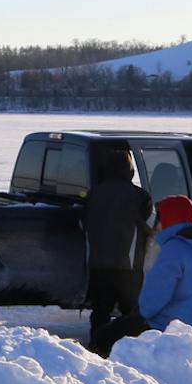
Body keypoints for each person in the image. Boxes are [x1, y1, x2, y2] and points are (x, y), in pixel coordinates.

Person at [99, 195, 192, 349]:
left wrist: (140, 313)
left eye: (160, 218)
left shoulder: (174, 249)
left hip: (169, 326)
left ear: (169, 219)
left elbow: (155, 295)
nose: (157, 225)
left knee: (106, 335)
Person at [80, 144, 152, 354]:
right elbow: (151, 226)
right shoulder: (140, 196)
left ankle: (96, 349)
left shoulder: (94, 194)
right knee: (130, 313)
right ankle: (129, 352)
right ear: (130, 169)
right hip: (127, 267)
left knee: (100, 311)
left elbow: (83, 224)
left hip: (98, 263)